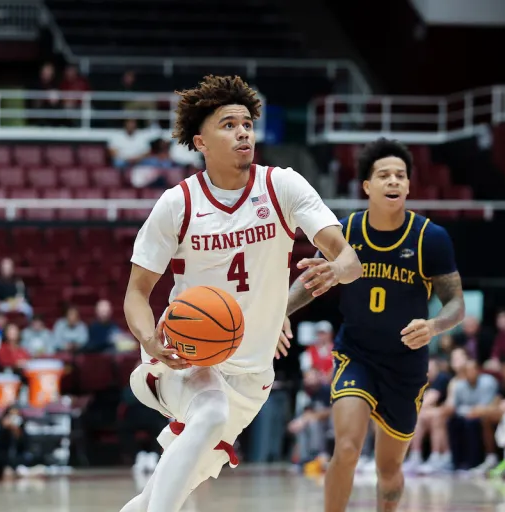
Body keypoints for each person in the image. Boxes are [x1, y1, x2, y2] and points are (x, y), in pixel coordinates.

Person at [120, 75, 362, 512]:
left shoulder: (282, 186)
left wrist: (336, 270)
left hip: (252, 376)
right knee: (209, 408)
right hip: (188, 353)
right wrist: (150, 341)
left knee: (160, 494)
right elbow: (136, 294)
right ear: (201, 141)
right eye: (228, 124)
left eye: (247, 123)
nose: (243, 132)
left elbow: (348, 258)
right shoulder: (178, 204)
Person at [284, 138, 465, 512]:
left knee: (389, 468)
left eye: (400, 175)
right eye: (384, 175)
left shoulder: (429, 238)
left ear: (409, 185)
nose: (393, 181)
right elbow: (311, 282)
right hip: (357, 354)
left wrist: (434, 327)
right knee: (347, 448)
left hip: (406, 363)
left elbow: (456, 303)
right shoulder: (346, 232)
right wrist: (279, 312)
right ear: (367, 186)